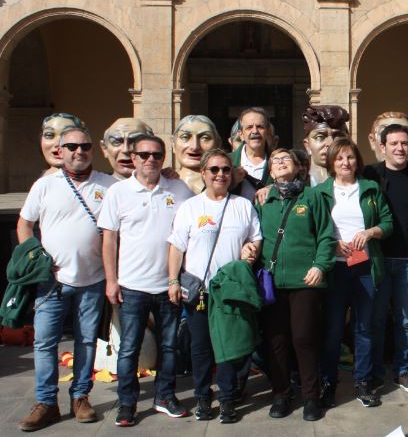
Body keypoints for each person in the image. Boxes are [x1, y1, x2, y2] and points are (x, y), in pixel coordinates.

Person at [17, 126, 117, 431]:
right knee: (44, 343)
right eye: (71, 146)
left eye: (85, 146)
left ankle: (80, 398)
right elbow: (25, 225)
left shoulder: (109, 185)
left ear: (92, 150)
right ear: (59, 152)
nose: (79, 152)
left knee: (86, 340)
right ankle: (46, 402)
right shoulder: (45, 186)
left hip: (93, 279)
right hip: (52, 281)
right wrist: (34, 257)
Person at [98, 134, 195, 426]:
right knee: (129, 348)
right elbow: (109, 241)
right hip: (132, 286)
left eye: (156, 155)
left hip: (168, 285)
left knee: (169, 347)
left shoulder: (178, 189)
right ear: (134, 158)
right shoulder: (118, 193)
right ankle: (127, 403)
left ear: (164, 158)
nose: (150, 159)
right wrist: (111, 280)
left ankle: (164, 396)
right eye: (144, 154)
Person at [167, 149, 262, 424]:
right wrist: (173, 281)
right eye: (214, 170)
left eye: (225, 170)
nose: (220, 174)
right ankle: (203, 397)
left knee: (230, 348)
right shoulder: (191, 207)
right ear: (203, 174)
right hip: (200, 291)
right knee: (201, 348)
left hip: (231, 292)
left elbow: (256, 238)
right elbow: (176, 247)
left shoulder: (243, 205)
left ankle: (229, 399)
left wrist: (251, 249)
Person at [257, 148, 335, 421]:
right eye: (275, 161)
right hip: (272, 282)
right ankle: (281, 394)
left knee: (304, 339)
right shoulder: (263, 200)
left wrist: (319, 265)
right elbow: (254, 235)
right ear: (269, 171)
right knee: (276, 341)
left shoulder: (312, 196)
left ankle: (311, 397)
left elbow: (326, 235)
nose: (279, 163)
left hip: (306, 280)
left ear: (299, 167)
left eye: (285, 159)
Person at [316, 138, 393, 408]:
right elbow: (313, 228)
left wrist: (369, 232)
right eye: (339, 158)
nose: (345, 163)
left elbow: (387, 222)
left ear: (357, 160)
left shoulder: (370, 188)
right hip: (335, 268)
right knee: (333, 329)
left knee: (364, 327)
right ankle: (328, 382)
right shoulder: (321, 191)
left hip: (365, 267)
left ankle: (363, 381)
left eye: (349, 157)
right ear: (331, 163)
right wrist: (331, 241)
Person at [364, 123, 408, 394]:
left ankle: (403, 370)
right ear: (382, 147)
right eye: (394, 144)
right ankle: (375, 372)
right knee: (375, 319)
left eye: (404, 143)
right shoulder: (370, 175)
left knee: (406, 320)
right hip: (377, 259)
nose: (400, 148)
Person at [230, 107, 274, 200]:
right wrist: (230, 183)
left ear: (268, 132)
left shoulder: (279, 162)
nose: (255, 131)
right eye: (249, 127)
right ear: (241, 134)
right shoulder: (227, 161)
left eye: (260, 127)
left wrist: (274, 188)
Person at [172, 115, 220, 194]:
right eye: (185, 137)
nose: (195, 147)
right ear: (173, 145)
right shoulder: (163, 183)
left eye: (205, 138)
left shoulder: (231, 183)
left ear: (217, 144)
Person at [303, 105, 350, 186]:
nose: (330, 143)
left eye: (338, 136)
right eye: (320, 137)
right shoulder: (298, 189)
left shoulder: (366, 186)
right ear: (307, 146)